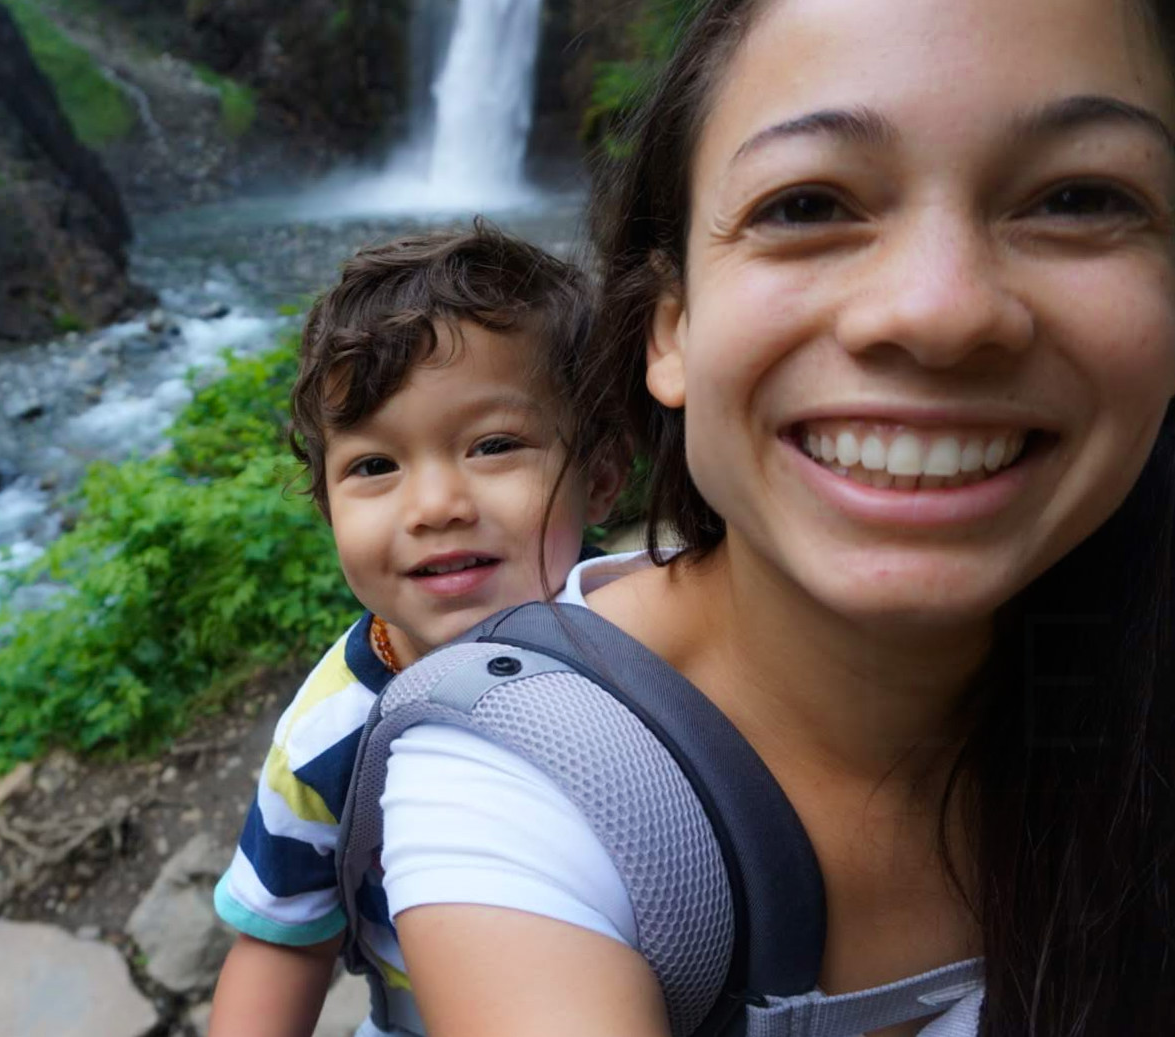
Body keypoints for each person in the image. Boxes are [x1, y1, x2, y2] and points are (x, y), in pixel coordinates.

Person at [375, 0, 1175, 1034]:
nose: (938, 310)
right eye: (805, 205)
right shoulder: (527, 784)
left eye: (1077, 196)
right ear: (669, 329)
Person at [207, 223, 624, 1037]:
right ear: (328, 508)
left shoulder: (662, 639)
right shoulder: (331, 734)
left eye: (493, 445)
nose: (434, 505)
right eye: (373, 466)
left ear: (600, 477)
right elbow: (283, 945)